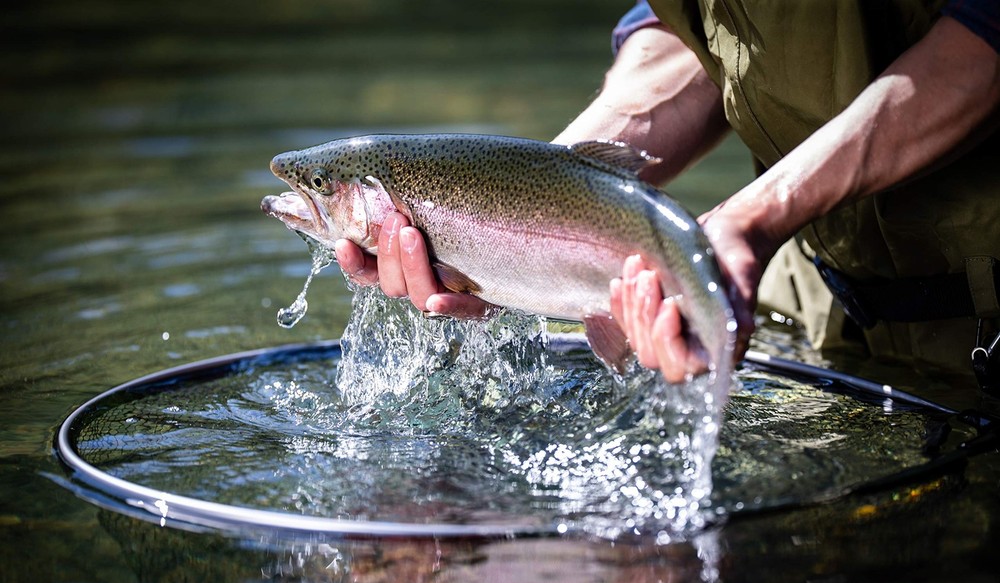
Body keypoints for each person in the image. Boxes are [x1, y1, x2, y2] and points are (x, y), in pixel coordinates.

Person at [335, 0, 1000, 390]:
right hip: (808, 288)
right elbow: (699, 44)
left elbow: (983, 44)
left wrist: (754, 217)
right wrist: (509, 217)